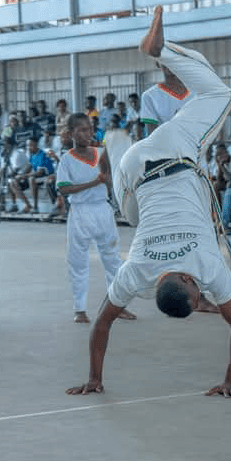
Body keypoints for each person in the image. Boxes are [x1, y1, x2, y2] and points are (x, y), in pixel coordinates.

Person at [67, 5, 231, 398]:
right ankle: (118, 140)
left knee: (221, 94)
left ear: (184, 279)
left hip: (171, 157)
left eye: (199, 295)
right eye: (204, 296)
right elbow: (103, 322)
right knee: (134, 216)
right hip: (134, 174)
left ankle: (158, 52)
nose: (206, 293)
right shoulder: (137, 271)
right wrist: (95, 378)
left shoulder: (200, 266)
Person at [56, 113, 136, 324]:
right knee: (78, 262)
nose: (86, 133)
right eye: (81, 129)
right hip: (80, 213)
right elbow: (64, 189)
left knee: (113, 260)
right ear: (71, 133)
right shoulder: (66, 159)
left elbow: (113, 182)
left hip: (102, 210)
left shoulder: (101, 153)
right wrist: (94, 182)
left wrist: (110, 179)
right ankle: (79, 309)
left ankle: (118, 306)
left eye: (89, 129)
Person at [140, 64, 190, 138]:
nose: (169, 61)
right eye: (164, 57)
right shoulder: (149, 96)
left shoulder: (198, 92)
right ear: (157, 62)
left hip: (196, 147)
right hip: (168, 147)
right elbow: (152, 136)